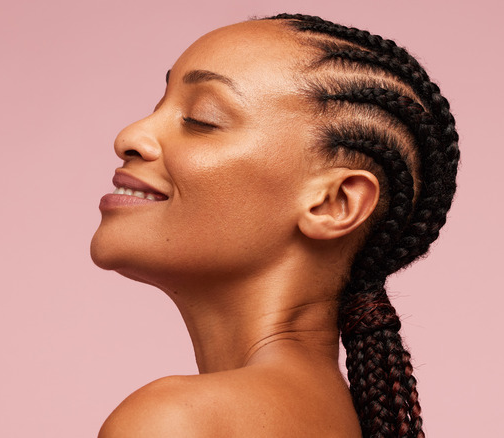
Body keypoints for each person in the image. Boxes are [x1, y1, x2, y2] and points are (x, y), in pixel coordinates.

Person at [90, 13, 459, 438]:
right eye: (159, 106)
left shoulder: (179, 421)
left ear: (334, 203)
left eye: (201, 119)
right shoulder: (343, 420)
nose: (130, 135)